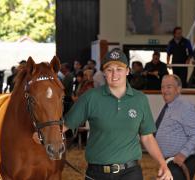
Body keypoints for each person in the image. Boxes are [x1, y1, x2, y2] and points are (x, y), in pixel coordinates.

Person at [38, 48, 172, 180]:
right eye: (109, 70)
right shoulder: (90, 97)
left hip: (130, 173)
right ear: (104, 72)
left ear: (127, 71)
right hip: (97, 173)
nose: (114, 74)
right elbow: (64, 126)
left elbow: (147, 137)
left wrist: (163, 164)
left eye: (119, 69)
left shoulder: (140, 99)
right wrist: (41, 135)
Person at [155, 74, 195, 180]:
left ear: (178, 89)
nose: (164, 90)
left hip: (182, 160)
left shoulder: (186, 107)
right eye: (162, 87)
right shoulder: (169, 107)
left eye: (169, 87)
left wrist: (183, 154)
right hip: (169, 161)